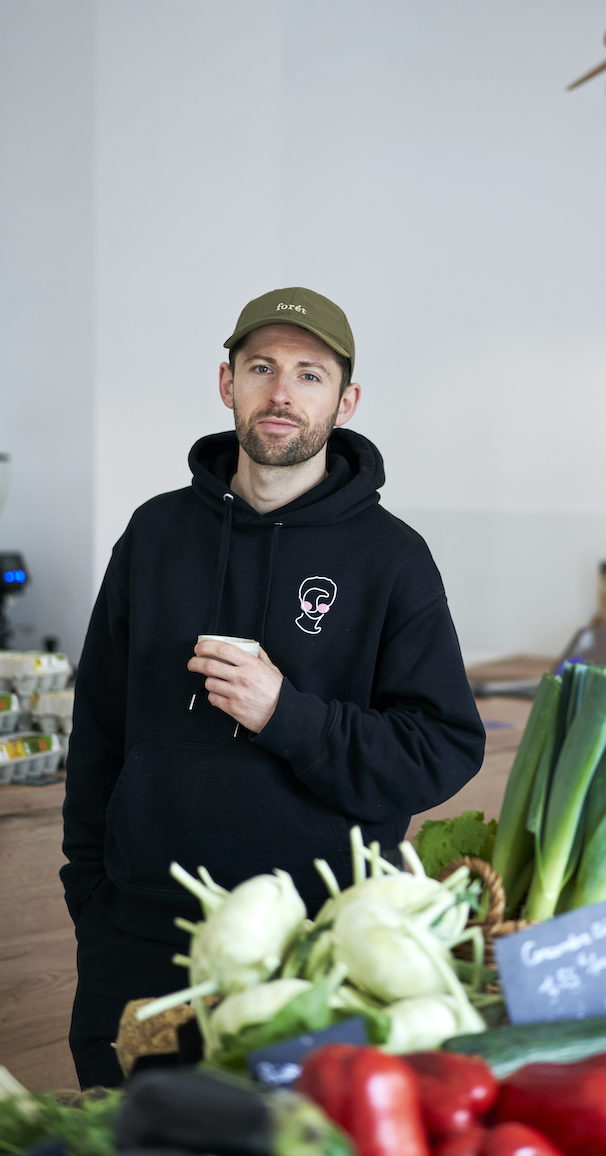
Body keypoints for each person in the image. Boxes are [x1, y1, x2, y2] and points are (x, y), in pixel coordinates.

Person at [61, 287, 486, 1087]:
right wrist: (93, 898)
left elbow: (443, 749)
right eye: (261, 367)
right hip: (146, 950)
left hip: (313, 959)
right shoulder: (154, 535)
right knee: (130, 1139)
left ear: (346, 400)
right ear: (228, 384)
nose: (281, 391)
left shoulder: (392, 559)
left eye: (309, 374)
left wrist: (286, 715)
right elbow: (98, 740)